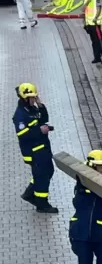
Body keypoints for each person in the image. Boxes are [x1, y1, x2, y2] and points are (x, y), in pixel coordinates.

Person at [13, 83, 58, 214]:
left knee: (47, 172)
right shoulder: (20, 115)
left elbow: (44, 118)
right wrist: (40, 130)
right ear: (24, 98)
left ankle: (29, 193)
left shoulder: (32, 109)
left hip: (42, 149)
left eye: (35, 97)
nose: (34, 99)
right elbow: (22, 135)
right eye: (32, 98)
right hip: (34, 152)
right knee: (42, 176)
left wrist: (40, 105)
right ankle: (42, 204)